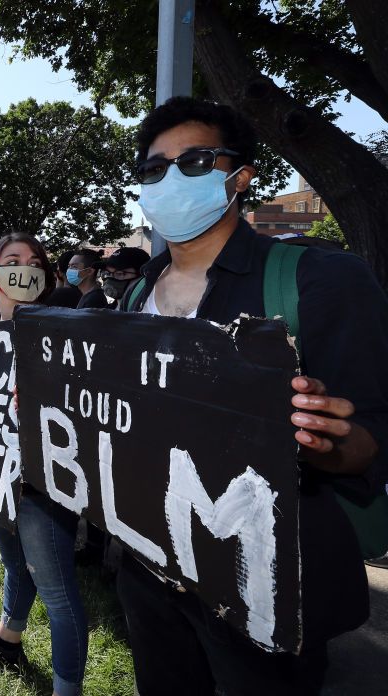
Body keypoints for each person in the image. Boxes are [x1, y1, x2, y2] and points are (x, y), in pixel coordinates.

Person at [114, 96, 388, 696]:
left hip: (265, 590)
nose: (170, 179)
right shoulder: (134, 301)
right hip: (149, 573)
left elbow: (368, 438)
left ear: (238, 178)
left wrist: (325, 441)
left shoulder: (320, 279)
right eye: (154, 169)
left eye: (194, 162)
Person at [0, 232, 89, 696]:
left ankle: (65, 689)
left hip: (44, 487)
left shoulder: (67, 334)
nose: (25, 267)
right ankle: (7, 640)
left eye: (34, 261)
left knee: (57, 592)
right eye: (13, 260)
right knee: (13, 563)